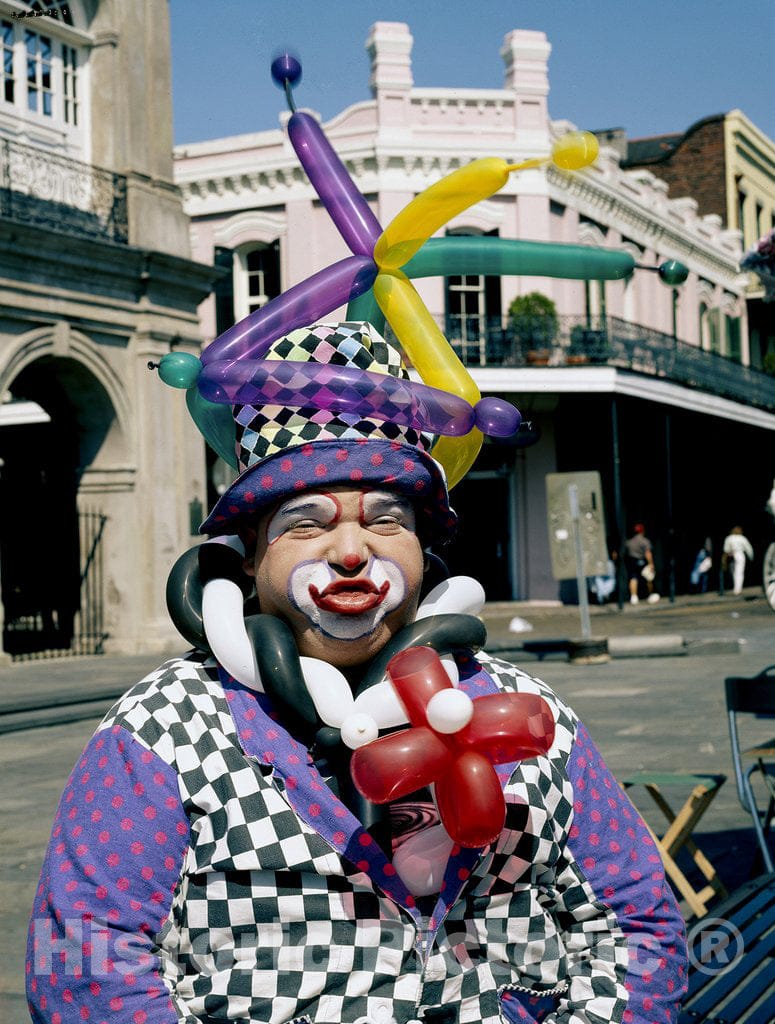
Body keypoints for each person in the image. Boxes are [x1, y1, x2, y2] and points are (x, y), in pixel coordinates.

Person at [27, 323, 687, 1024]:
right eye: (306, 523)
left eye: (386, 519)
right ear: (249, 554)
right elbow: (85, 964)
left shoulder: (521, 705)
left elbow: (634, 924)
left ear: (423, 546)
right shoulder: (164, 727)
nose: (350, 550)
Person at [623, 523, 660, 605]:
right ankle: (651, 595)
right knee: (648, 578)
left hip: (632, 562)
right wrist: (651, 564)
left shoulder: (629, 541)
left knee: (633, 578)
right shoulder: (644, 541)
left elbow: (626, 553)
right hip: (642, 561)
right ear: (642, 531)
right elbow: (648, 553)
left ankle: (633, 597)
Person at [722, 525, 754, 596]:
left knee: (735, 572)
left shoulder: (729, 538)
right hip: (739, 555)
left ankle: (737, 589)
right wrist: (751, 557)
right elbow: (749, 548)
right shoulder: (742, 538)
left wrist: (724, 559)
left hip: (733, 555)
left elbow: (726, 550)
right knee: (739, 572)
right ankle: (737, 589)